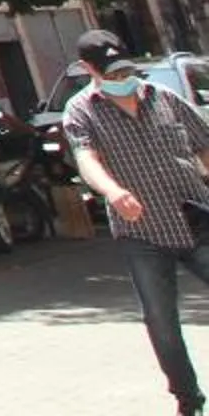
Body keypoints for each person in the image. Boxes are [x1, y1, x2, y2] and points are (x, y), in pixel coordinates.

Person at [61, 29, 209, 414]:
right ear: (87, 69)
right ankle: (188, 399)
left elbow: (205, 147)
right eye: (109, 73)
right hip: (142, 231)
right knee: (160, 319)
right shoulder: (81, 111)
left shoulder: (165, 99)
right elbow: (86, 159)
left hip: (196, 215)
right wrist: (112, 192)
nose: (120, 78)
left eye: (124, 68)